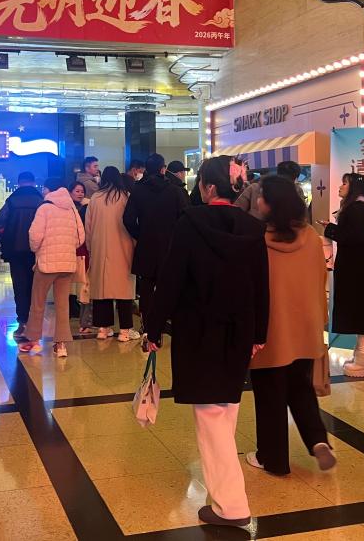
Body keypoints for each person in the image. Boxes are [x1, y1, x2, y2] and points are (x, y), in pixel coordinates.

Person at [145, 156, 269, 528]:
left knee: (211, 416)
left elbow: (170, 280)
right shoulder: (252, 227)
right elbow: (261, 284)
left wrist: (153, 328)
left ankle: (232, 507)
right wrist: (259, 333)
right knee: (225, 408)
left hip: (198, 330)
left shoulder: (190, 223)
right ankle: (222, 499)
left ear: (209, 187)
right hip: (239, 330)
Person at [246, 176, 335, 476]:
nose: (258, 200)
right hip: (306, 327)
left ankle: (273, 459)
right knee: (300, 387)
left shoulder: (258, 240)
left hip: (271, 329)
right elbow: (321, 279)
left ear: (270, 204)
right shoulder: (311, 237)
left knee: (270, 394)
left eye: (261, 196)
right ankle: (318, 440)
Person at [323, 172, 364, 377]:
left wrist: (330, 229)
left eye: (344, 183)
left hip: (355, 272)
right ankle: (362, 356)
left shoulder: (355, 209)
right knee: (361, 311)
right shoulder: (361, 208)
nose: (340, 187)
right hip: (359, 271)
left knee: (360, 311)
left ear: (354, 188)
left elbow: (351, 237)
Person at [122, 153, 190, 329]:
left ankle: (147, 323)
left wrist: (140, 234)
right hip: (170, 245)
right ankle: (167, 320)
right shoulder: (175, 191)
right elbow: (186, 218)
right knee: (169, 284)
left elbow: (128, 219)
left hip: (146, 244)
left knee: (146, 285)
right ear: (163, 169)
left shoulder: (138, 190)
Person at [20, 178, 85, 358]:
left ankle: (34, 341)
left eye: (44, 188)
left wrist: (37, 249)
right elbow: (81, 237)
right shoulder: (72, 209)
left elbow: (34, 235)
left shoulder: (44, 208)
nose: (43, 191)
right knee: (63, 305)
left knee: (38, 302)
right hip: (67, 264)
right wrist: (67, 247)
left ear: (50, 190)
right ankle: (61, 345)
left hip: (46, 264)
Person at [86, 167, 138, 341]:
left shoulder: (95, 198)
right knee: (124, 290)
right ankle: (124, 330)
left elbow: (88, 227)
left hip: (100, 248)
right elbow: (132, 222)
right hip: (124, 248)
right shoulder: (126, 197)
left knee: (102, 289)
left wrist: (91, 247)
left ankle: (103, 328)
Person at [0, 171, 44, 340]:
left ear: (18, 182)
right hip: (36, 251)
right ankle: (35, 321)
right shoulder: (41, 201)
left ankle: (23, 320)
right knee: (35, 286)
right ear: (34, 182)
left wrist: (2, 237)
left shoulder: (11, 201)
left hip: (15, 251)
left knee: (19, 285)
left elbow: (0, 223)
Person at [235, 161, 301, 220]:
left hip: (254, 227)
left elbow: (236, 211)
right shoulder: (296, 192)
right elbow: (301, 217)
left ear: (278, 173)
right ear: (295, 179)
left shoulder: (255, 188)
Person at [68, 180, 94, 333]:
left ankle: (84, 321)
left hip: (82, 251)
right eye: (77, 191)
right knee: (73, 286)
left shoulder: (87, 207)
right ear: (70, 192)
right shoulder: (68, 208)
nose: (80, 194)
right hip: (72, 251)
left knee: (84, 286)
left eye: (82, 191)